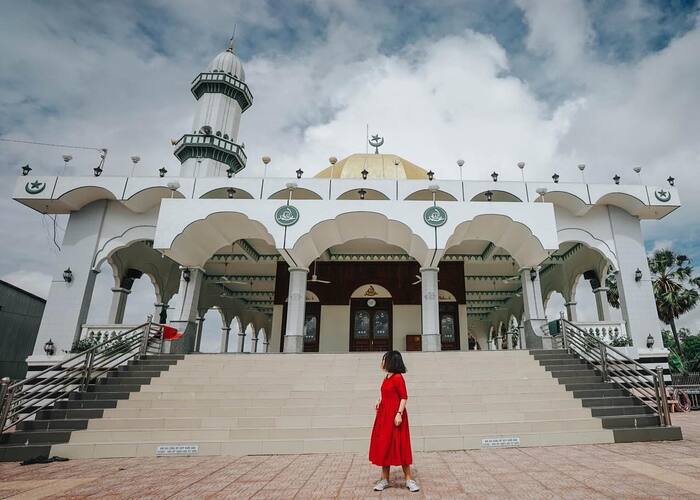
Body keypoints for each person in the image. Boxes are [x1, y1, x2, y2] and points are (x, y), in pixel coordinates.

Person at [369, 350, 419, 492]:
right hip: (384, 416)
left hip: (396, 416)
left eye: (384, 359)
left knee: (401, 445)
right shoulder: (387, 377)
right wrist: (379, 400)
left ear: (391, 361)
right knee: (385, 445)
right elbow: (385, 393)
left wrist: (399, 414)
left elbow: (404, 397)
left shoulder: (398, 378)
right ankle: (384, 479)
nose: (382, 362)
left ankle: (409, 479)